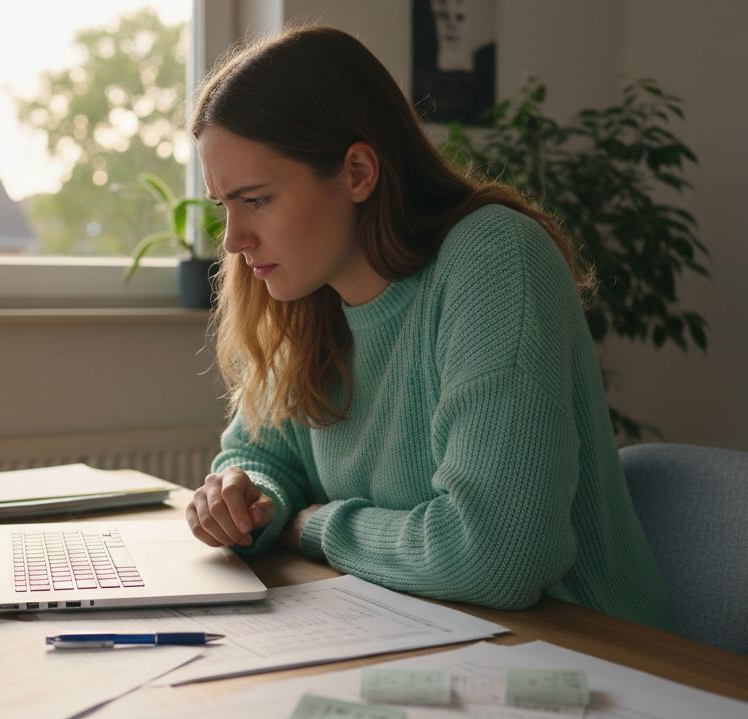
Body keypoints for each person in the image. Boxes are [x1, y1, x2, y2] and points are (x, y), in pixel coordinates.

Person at [183, 25, 673, 630]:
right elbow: (264, 457)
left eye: (256, 200)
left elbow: (499, 554)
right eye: (222, 206)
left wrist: (318, 525)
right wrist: (247, 499)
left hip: (588, 657)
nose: (232, 240)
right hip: (423, 630)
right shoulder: (307, 296)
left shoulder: (495, 260)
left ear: (358, 172)